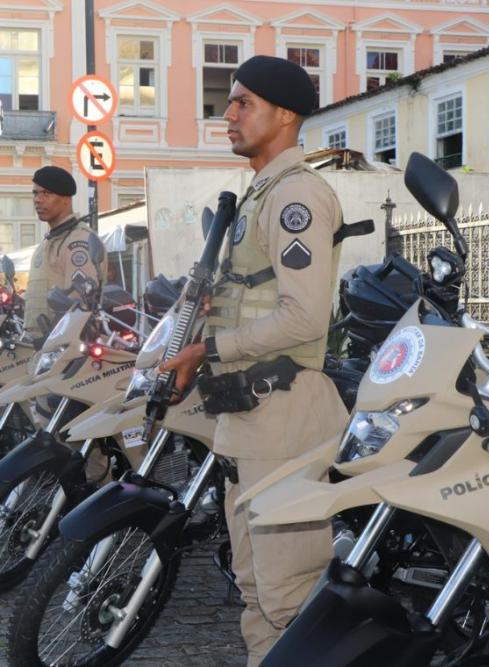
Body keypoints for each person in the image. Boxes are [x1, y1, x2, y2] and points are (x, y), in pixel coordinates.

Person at [159, 55, 349, 665]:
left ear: (286, 114)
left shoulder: (297, 196)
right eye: (230, 101)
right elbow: (257, 296)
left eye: (243, 102)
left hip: (284, 413)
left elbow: (304, 316)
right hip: (247, 413)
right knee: (254, 588)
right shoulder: (260, 192)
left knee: (288, 594)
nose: (228, 113)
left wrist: (208, 347)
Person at [23, 166, 106, 336]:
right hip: (40, 346)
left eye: (46, 193)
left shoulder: (79, 241)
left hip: (63, 347)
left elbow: (79, 306)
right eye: (35, 193)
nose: (38, 200)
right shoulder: (47, 242)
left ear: (66, 199)